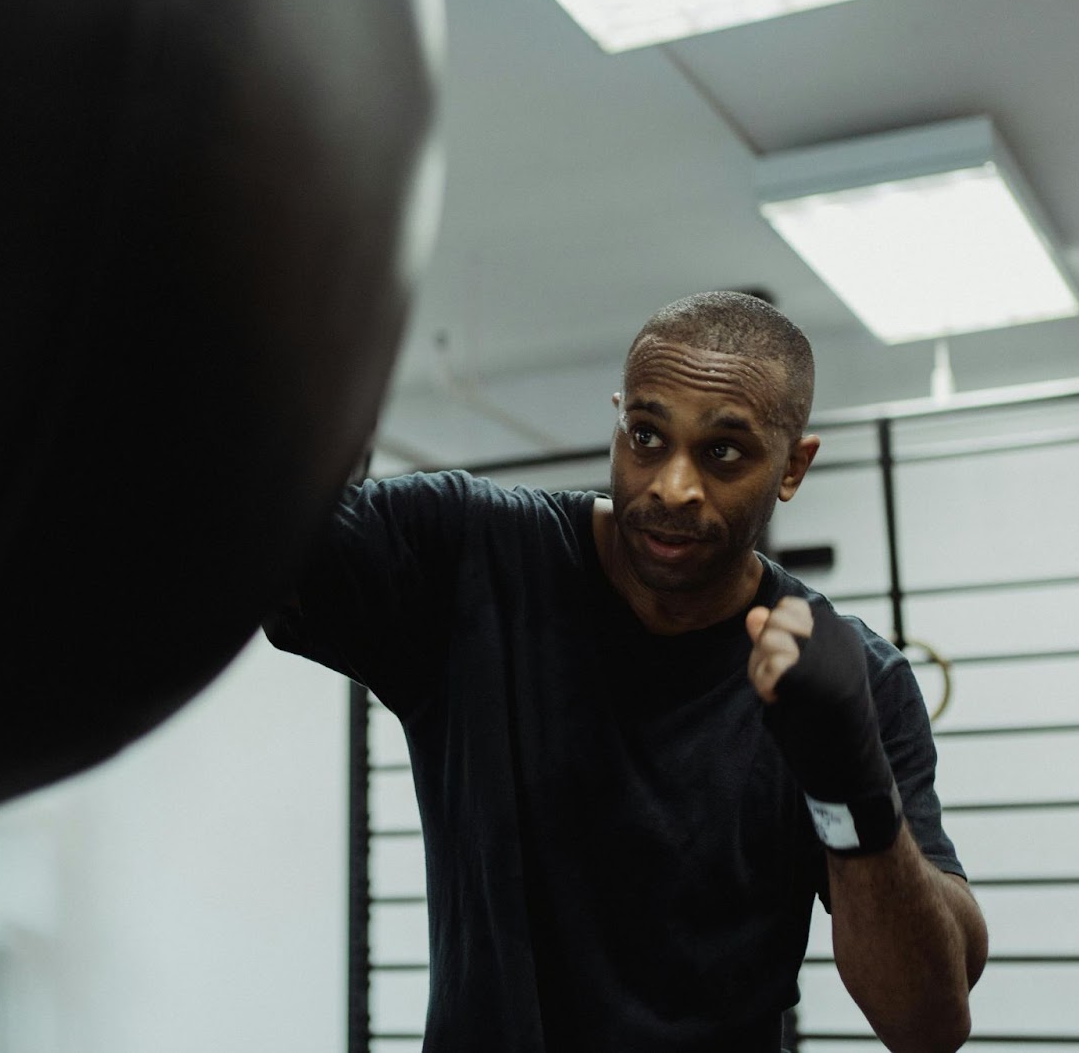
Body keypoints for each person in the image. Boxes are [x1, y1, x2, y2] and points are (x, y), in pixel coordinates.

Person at [263, 291, 989, 1052]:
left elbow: (927, 1023)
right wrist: (325, 365)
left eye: (723, 452)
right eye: (646, 436)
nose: (673, 485)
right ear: (619, 419)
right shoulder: (471, 558)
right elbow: (270, 565)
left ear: (792, 467)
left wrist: (851, 781)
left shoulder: (854, 680)